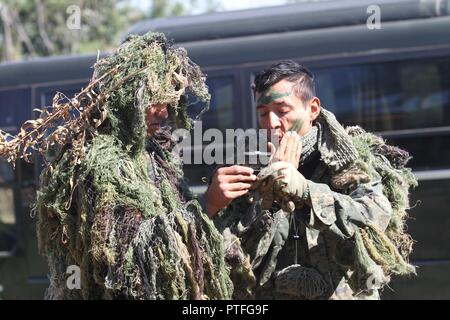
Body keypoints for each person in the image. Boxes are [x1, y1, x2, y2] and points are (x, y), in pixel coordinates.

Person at [3, 33, 233, 299]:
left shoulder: (153, 152)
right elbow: (131, 257)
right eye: (155, 99)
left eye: (169, 101)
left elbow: (173, 214)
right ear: (128, 96)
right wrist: (208, 205)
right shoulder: (99, 163)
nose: (165, 112)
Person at [203, 60, 416, 299]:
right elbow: (233, 259)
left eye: (282, 111)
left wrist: (305, 190)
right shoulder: (244, 166)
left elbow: (376, 216)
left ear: (313, 109)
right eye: (263, 113)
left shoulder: (349, 159)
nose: (272, 123)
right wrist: (213, 204)